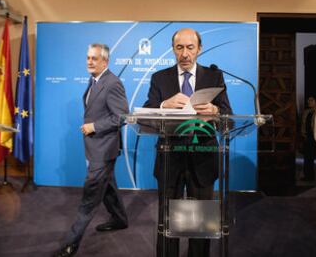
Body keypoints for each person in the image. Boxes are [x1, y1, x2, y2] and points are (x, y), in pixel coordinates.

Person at [143, 28, 232, 257]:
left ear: (199, 49)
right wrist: (164, 105)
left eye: (190, 47)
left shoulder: (214, 76)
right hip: (170, 158)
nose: (184, 53)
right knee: (167, 222)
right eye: (179, 47)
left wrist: (215, 111)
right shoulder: (159, 78)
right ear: (173, 49)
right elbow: (145, 115)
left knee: (200, 225)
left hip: (203, 158)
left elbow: (228, 117)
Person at [53, 44, 129, 257]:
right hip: (96, 147)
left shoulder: (113, 83)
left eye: (94, 58)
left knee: (89, 197)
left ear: (105, 61)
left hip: (104, 150)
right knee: (108, 187)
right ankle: (120, 220)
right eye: (88, 57)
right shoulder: (94, 79)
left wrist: (94, 126)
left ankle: (71, 244)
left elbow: (122, 117)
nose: (89, 62)